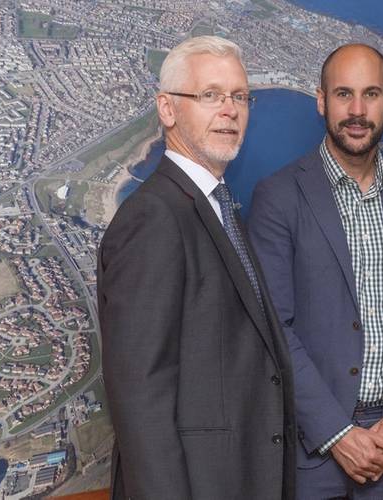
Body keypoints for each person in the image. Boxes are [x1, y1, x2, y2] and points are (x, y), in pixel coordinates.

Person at [248, 43, 383, 499]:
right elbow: (274, 328)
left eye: (371, 94)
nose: (358, 111)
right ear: (321, 100)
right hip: (315, 455)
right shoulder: (278, 196)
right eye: (344, 94)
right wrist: (336, 432)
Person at [97, 36, 296, 500]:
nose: (229, 110)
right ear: (167, 110)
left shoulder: (219, 205)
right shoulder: (153, 218)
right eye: (210, 95)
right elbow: (140, 395)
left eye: (240, 97)